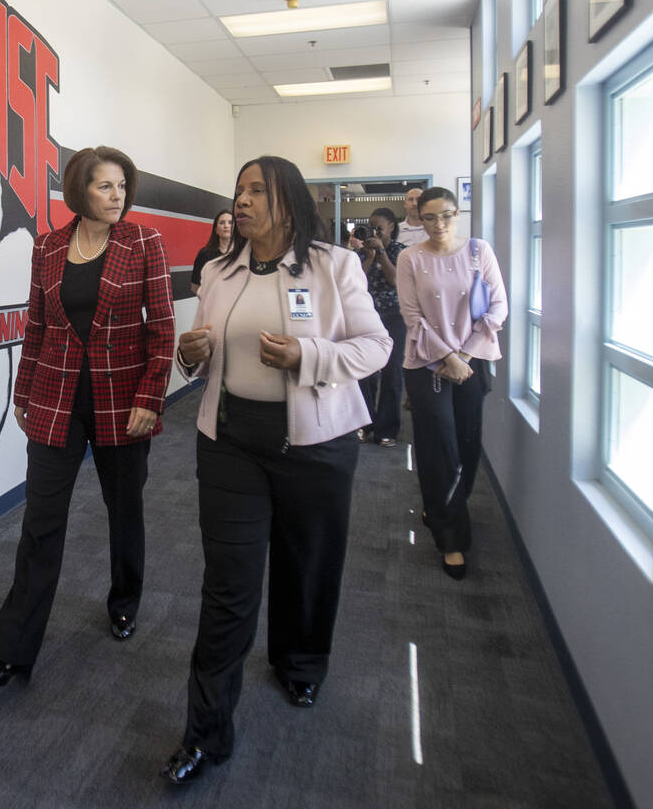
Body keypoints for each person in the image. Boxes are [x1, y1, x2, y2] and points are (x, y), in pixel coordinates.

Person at [160, 156, 391, 784]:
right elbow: (201, 357)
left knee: (306, 566)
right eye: (238, 190)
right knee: (227, 587)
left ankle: (300, 665)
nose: (242, 200)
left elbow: (376, 347)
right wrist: (190, 353)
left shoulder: (332, 266)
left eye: (256, 190)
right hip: (231, 444)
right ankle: (206, 734)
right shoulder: (217, 271)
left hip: (316, 447)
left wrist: (307, 354)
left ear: (286, 200)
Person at [0, 145, 175, 686]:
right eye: (105, 187)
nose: (118, 197)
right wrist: (23, 393)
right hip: (57, 400)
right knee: (40, 524)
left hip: (123, 403)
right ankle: (14, 648)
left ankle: (125, 600)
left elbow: (162, 328)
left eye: (122, 187)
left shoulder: (143, 243)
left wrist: (150, 398)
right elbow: (37, 325)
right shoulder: (50, 246)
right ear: (79, 191)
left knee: (124, 511)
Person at [397, 187, 507, 580]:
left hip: (472, 362)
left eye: (446, 215)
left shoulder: (479, 251)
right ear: (419, 219)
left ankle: (442, 505)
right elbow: (412, 316)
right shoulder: (410, 257)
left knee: (468, 444)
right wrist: (447, 357)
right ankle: (452, 538)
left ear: (457, 214)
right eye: (430, 217)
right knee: (439, 447)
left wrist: (465, 356)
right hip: (427, 365)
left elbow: (498, 306)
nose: (439, 224)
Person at [358, 208, 407, 446]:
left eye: (379, 227)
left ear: (391, 227)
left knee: (392, 372)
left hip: (395, 317)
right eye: (371, 227)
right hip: (367, 317)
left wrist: (381, 253)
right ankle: (364, 425)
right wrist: (368, 256)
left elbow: (396, 280)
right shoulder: (361, 253)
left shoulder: (401, 252)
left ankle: (386, 430)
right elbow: (356, 283)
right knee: (365, 373)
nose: (374, 231)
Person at [190, 210, 234, 295]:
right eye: (222, 223)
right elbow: (195, 286)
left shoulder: (243, 254)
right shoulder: (205, 254)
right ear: (216, 230)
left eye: (230, 223)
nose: (226, 226)